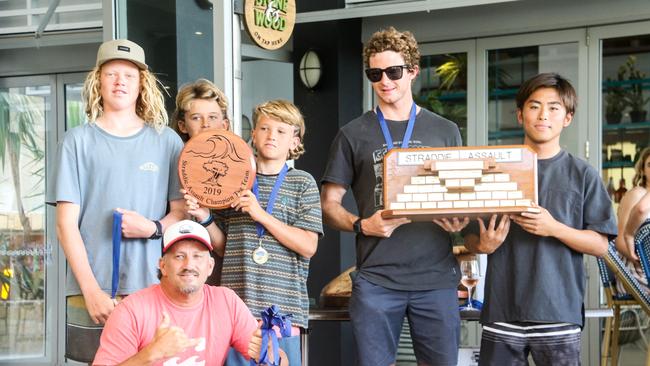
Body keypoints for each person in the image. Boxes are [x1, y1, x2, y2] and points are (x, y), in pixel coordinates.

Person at [320, 27, 465, 366]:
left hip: (436, 277)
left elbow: (461, 194)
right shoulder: (352, 134)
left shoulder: (445, 131)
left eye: (393, 72)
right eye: (375, 73)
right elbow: (329, 203)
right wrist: (362, 224)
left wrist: (460, 221)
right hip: (377, 279)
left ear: (413, 71)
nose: (384, 81)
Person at [463, 73, 617, 365]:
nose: (543, 114)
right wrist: (482, 244)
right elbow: (471, 238)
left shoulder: (583, 174)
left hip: (558, 311)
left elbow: (600, 245)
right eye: (534, 106)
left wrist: (554, 228)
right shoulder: (493, 170)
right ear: (520, 115)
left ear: (567, 118)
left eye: (554, 107)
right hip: (502, 311)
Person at [52, 39, 185, 362]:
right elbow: (65, 224)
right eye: (111, 73)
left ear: (142, 84)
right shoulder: (76, 142)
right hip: (91, 292)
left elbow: (180, 214)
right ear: (98, 80)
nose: (120, 81)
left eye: (129, 74)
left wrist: (152, 227)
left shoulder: (166, 141)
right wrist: (91, 290)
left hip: (154, 288)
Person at [183, 99, 323, 366]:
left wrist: (260, 214)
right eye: (264, 128)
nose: (272, 136)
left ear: (295, 141)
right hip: (236, 313)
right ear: (253, 136)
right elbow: (224, 247)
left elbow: (308, 246)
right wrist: (204, 217)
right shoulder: (232, 180)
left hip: (283, 314)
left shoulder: (302, 183)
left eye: (282, 131)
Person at [93, 220, 263, 366]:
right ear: (163, 266)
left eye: (197, 256)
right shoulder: (131, 310)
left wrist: (269, 353)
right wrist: (150, 353)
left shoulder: (226, 301)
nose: (189, 265)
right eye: (179, 256)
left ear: (210, 266)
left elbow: (277, 360)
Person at [172, 78, 231, 285]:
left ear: (224, 124)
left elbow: (226, 248)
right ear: (183, 125)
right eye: (196, 117)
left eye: (213, 117)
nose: (206, 124)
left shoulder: (238, 173)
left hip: (221, 278)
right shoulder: (170, 165)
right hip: (174, 273)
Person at [616, 146, 650, 295]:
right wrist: (640, 260)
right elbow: (620, 240)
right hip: (638, 271)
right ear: (642, 170)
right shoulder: (637, 194)